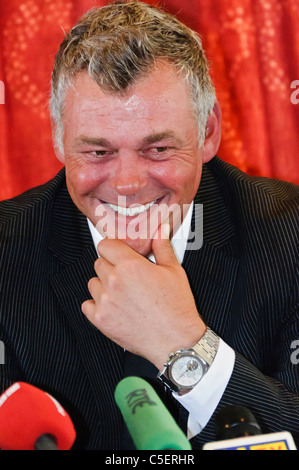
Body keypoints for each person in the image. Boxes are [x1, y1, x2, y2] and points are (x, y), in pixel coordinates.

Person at [0, 1, 298, 450]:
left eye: (157, 149)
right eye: (98, 152)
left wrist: (184, 344)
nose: (127, 183)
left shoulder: (290, 234)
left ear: (208, 133)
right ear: (60, 140)